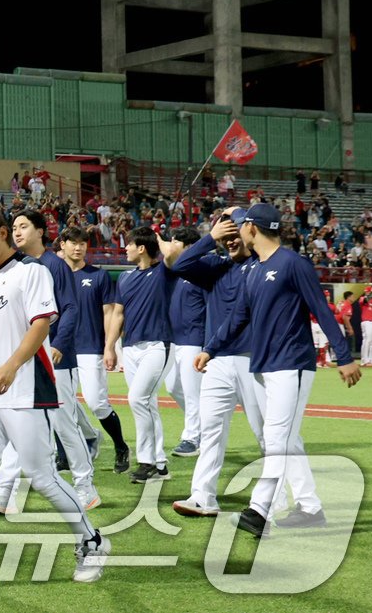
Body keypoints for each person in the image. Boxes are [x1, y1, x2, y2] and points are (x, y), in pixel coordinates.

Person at [0, 204, 108, 591]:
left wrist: (11, 366)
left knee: (41, 476)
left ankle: (92, 540)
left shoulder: (33, 272)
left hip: (23, 389)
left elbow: (41, 324)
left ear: (1, 235)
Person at [200, 204, 361, 538]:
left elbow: (322, 310)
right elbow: (238, 317)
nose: (236, 230)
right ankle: (310, 508)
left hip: (292, 364)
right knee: (287, 438)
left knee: (277, 438)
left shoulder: (293, 264)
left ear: (252, 229)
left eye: (240, 225)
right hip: (264, 365)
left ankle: (259, 511)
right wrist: (211, 348)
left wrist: (343, 357)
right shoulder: (255, 269)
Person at [0, 210, 99, 512]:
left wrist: (60, 345)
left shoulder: (54, 264)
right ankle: (5, 491)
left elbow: (70, 308)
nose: (17, 231)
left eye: (24, 226)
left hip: (55, 358)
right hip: (26, 359)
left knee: (64, 423)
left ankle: (85, 486)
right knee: (17, 422)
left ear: (40, 230)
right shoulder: (17, 267)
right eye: (14, 227)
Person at [167, 208, 267, 517]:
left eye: (236, 230)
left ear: (250, 232)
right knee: (211, 430)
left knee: (266, 433)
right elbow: (179, 263)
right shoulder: (215, 266)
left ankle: (282, 499)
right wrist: (210, 238)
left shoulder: (263, 266)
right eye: (226, 233)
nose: (231, 239)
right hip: (218, 361)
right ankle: (203, 496)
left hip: (255, 359)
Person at [104, 227, 177, 483]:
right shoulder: (125, 278)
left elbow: (174, 252)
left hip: (159, 344)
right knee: (148, 404)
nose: (125, 249)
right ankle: (160, 465)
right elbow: (118, 314)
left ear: (142, 248)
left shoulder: (165, 272)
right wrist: (110, 346)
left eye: (129, 244)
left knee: (137, 399)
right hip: (131, 347)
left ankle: (146, 461)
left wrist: (158, 238)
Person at [58, 227, 131, 472]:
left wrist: (110, 347)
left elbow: (109, 313)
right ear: (63, 244)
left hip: (90, 346)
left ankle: (121, 446)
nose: (78, 248)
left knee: (97, 402)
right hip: (61, 347)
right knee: (59, 404)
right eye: (73, 243)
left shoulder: (98, 276)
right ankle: (65, 454)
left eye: (82, 243)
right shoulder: (53, 275)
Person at [160, 228, 207, 459]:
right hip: (174, 338)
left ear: (188, 246)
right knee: (172, 387)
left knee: (191, 391)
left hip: (193, 337)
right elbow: (166, 257)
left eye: (175, 241)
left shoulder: (201, 269)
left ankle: (192, 437)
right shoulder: (174, 270)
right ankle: (203, 426)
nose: (171, 244)